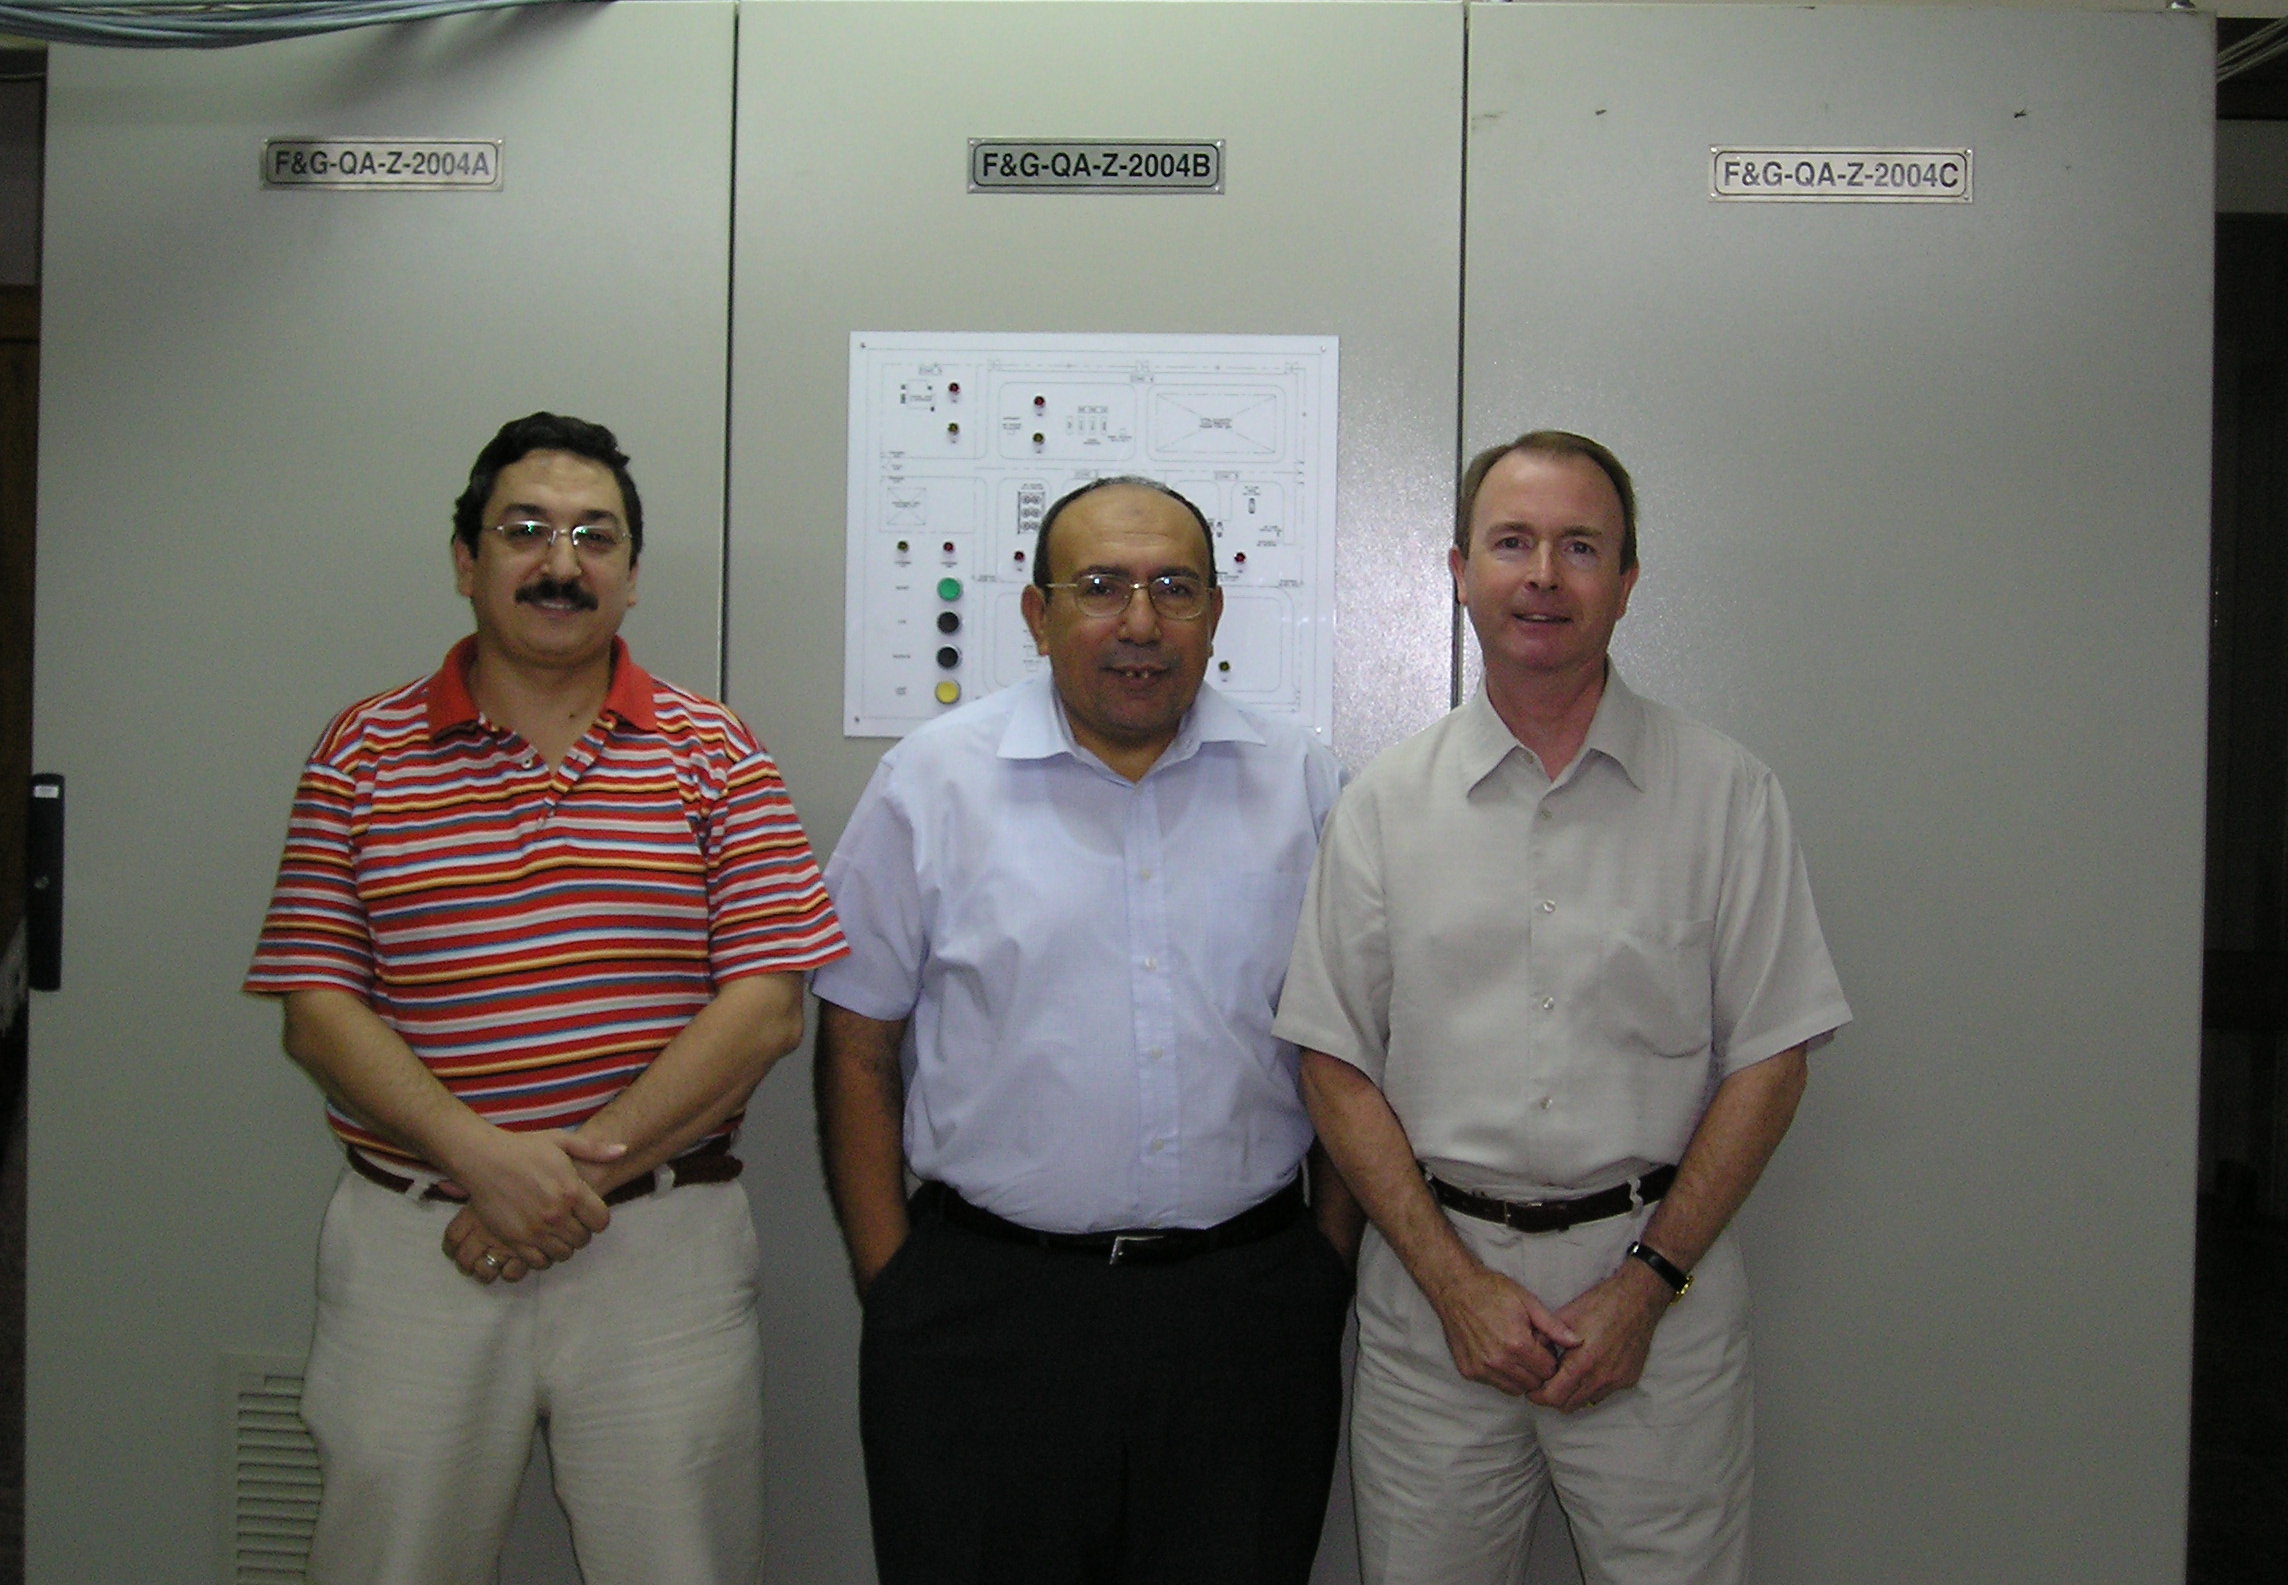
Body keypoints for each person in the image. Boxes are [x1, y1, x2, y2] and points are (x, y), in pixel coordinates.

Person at [243, 412, 847, 1585]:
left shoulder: (715, 751)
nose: (560, 563)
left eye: (594, 536)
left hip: (659, 1246)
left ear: (630, 574)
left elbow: (768, 1006)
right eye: (524, 530)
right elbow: (316, 1007)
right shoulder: (360, 750)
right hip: (419, 1240)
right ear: (465, 559)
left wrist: (567, 1179)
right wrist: (479, 1157)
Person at [1273, 431, 1852, 1585]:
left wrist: (1642, 1288)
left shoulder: (1725, 794)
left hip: (1659, 1301)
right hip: (1434, 1301)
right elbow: (1332, 1065)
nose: (1542, 574)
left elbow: (1771, 1059)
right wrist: (1453, 1285)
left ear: (1626, 582)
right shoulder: (1383, 807)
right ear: (1458, 571)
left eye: (1579, 546)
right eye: (1511, 542)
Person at [813, 475, 1360, 1585]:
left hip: (1243, 1315)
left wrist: (1324, 1265)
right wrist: (896, 1288)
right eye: (1100, 587)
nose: (1140, 622)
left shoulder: (1300, 783)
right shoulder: (932, 783)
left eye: (1175, 587)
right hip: (988, 1318)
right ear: (1037, 612)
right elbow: (858, 1045)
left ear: (1215, 610)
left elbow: (1348, 1041)